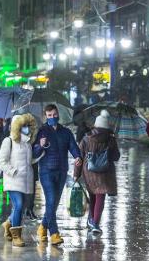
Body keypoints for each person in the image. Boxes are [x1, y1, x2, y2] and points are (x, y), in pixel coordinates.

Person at [33, 104, 82, 245]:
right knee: (51, 199)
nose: (52, 117)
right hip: (46, 171)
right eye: (49, 115)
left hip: (62, 171)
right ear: (45, 116)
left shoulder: (66, 132)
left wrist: (77, 156)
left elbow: (73, 146)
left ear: (58, 114)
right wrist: (39, 145)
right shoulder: (41, 131)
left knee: (53, 203)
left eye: (54, 114)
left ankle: (42, 226)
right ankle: (54, 233)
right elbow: (34, 153)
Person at [0, 113, 42, 247]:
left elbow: (28, 162)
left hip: (26, 181)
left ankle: (8, 223)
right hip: (13, 181)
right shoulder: (8, 141)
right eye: (23, 126)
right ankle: (16, 236)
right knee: (19, 205)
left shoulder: (27, 143)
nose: (26, 128)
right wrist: (13, 171)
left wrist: (40, 155)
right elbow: (1, 161)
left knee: (20, 208)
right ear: (17, 127)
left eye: (28, 125)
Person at [73, 110, 120, 235]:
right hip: (105, 174)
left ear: (95, 125)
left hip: (89, 174)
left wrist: (76, 175)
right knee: (100, 197)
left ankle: (91, 220)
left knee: (93, 196)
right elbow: (116, 157)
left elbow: (79, 158)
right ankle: (95, 223)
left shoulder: (86, 139)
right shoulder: (110, 139)